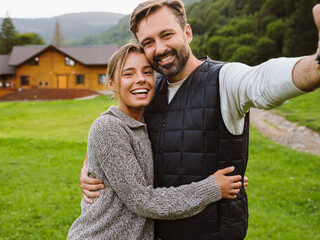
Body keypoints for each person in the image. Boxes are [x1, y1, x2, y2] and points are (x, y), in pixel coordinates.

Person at [80, 1, 320, 239]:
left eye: (166, 35)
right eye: (149, 43)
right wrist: (91, 166)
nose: (160, 48)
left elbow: (262, 81)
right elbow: (116, 131)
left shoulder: (224, 79)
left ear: (187, 32)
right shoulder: (149, 92)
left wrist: (315, 66)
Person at [67, 42, 244, 240]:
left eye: (147, 72)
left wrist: (228, 181)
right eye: (129, 74)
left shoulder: (148, 121)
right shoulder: (108, 127)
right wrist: (212, 188)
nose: (140, 79)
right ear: (111, 83)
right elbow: (143, 201)